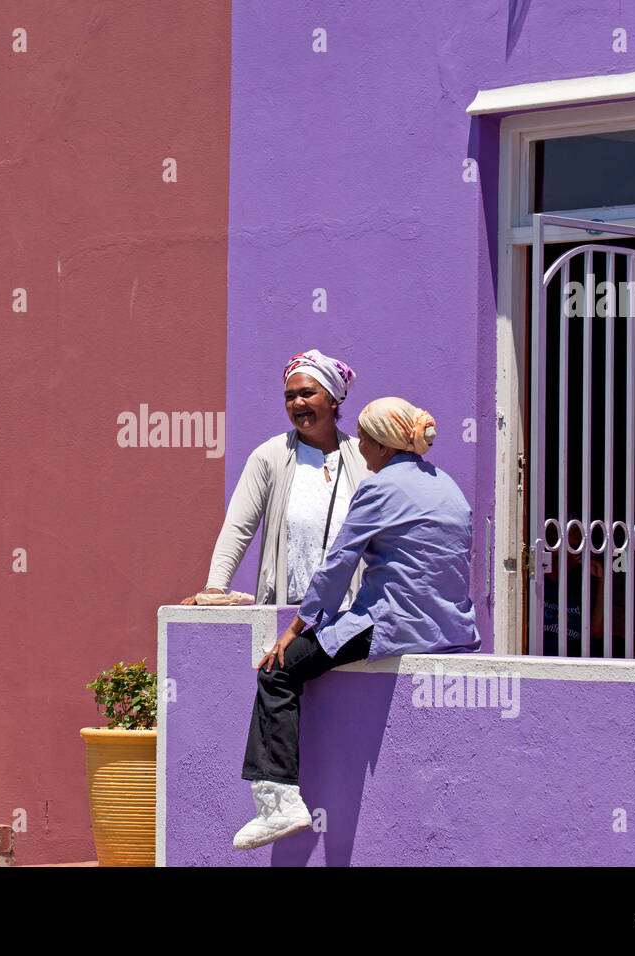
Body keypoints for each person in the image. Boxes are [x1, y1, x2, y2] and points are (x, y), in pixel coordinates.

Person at [232, 396, 482, 851]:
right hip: (449, 630)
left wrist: (297, 628)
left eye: (365, 437)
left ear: (385, 446)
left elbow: (338, 564)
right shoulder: (448, 486)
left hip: (394, 622)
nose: (360, 445)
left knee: (278, 670)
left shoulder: (380, 487)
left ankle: (278, 801)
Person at [181, 349, 368, 608]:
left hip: (355, 614)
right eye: (290, 397)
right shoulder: (270, 456)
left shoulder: (365, 457)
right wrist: (215, 587)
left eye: (307, 393)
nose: (298, 403)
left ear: (333, 399)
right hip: (289, 611)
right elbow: (238, 527)